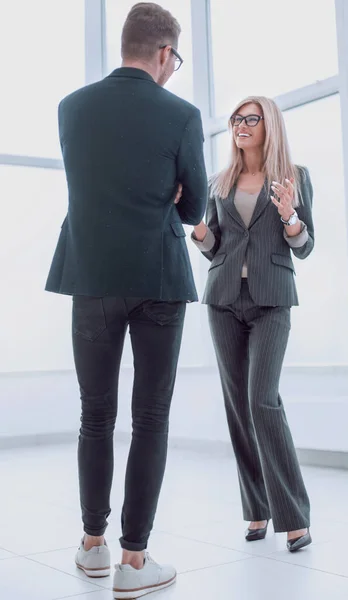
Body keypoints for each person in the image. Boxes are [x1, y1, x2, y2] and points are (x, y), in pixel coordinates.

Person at [45, 3, 207, 597]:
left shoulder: (72, 109)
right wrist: (174, 192)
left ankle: (93, 545)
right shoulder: (181, 115)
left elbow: (92, 186)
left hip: (90, 275)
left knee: (95, 414)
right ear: (164, 52)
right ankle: (134, 562)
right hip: (158, 277)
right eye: (175, 59)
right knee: (150, 418)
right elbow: (192, 210)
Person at [192, 96, 314, 553]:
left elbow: (304, 246)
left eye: (251, 119)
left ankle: (295, 516)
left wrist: (289, 215)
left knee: (263, 400)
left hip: (271, 301)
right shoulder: (218, 182)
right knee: (238, 407)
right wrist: (201, 236)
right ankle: (257, 508)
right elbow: (214, 242)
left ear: (269, 126)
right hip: (223, 299)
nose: (241, 126)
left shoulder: (295, 178)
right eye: (236, 120)